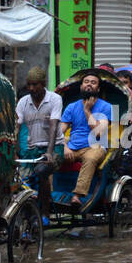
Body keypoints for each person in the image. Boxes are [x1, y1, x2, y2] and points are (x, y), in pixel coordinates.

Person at [58, 72, 114, 209]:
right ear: (81, 86)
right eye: (86, 81)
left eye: (93, 82)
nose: (89, 84)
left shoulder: (107, 107)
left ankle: (77, 196)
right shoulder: (71, 107)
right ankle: (48, 194)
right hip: (72, 147)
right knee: (50, 158)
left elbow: (99, 133)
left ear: (98, 89)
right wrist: (64, 147)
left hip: (96, 147)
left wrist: (88, 111)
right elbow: (59, 132)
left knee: (90, 159)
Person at [15, 66, 64, 220]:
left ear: (43, 83)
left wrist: (49, 152)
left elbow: (54, 126)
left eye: (35, 84)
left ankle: (45, 212)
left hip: (54, 148)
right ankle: (25, 216)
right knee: (19, 179)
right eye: (29, 84)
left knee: (42, 170)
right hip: (32, 150)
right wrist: (13, 151)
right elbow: (16, 128)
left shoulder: (55, 99)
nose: (31, 88)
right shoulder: (23, 102)